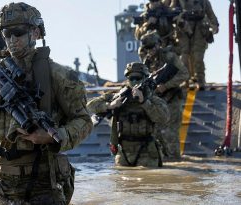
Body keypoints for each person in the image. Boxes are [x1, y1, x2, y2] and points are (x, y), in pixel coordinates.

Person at [0, 2, 93, 204]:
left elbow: (84, 121)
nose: (12, 40)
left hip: (44, 186)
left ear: (36, 33)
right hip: (3, 187)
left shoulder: (60, 76)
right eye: (6, 34)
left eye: (18, 32)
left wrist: (53, 138)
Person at [87, 62, 169, 167]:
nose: (134, 82)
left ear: (144, 79)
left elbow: (164, 117)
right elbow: (89, 106)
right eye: (131, 78)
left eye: (138, 78)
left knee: (148, 181)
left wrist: (144, 102)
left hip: (147, 152)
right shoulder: (118, 96)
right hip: (123, 153)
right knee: (122, 181)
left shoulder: (152, 98)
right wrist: (109, 105)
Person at [139, 31, 189, 160]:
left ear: (158, 45)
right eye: (147, 48)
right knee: (156, 132)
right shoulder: (147, 61)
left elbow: (184, 74)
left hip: (172, 98)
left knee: (171, 132)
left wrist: (166, 85)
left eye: (152, 47)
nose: (150, 50)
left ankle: (175, 160)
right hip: (157, 100)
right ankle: (164, 159)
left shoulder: (170, 57)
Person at [171, 0, 219, 89]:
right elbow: (171, 11)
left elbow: (211, 14)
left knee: (198, 56)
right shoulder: (177, 1)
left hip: (200, 29)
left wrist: (214, 25)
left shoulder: (203, 2)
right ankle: (185, 81)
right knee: (184, 57)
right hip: (183, 30)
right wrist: (178, 18)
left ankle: (200, 81)